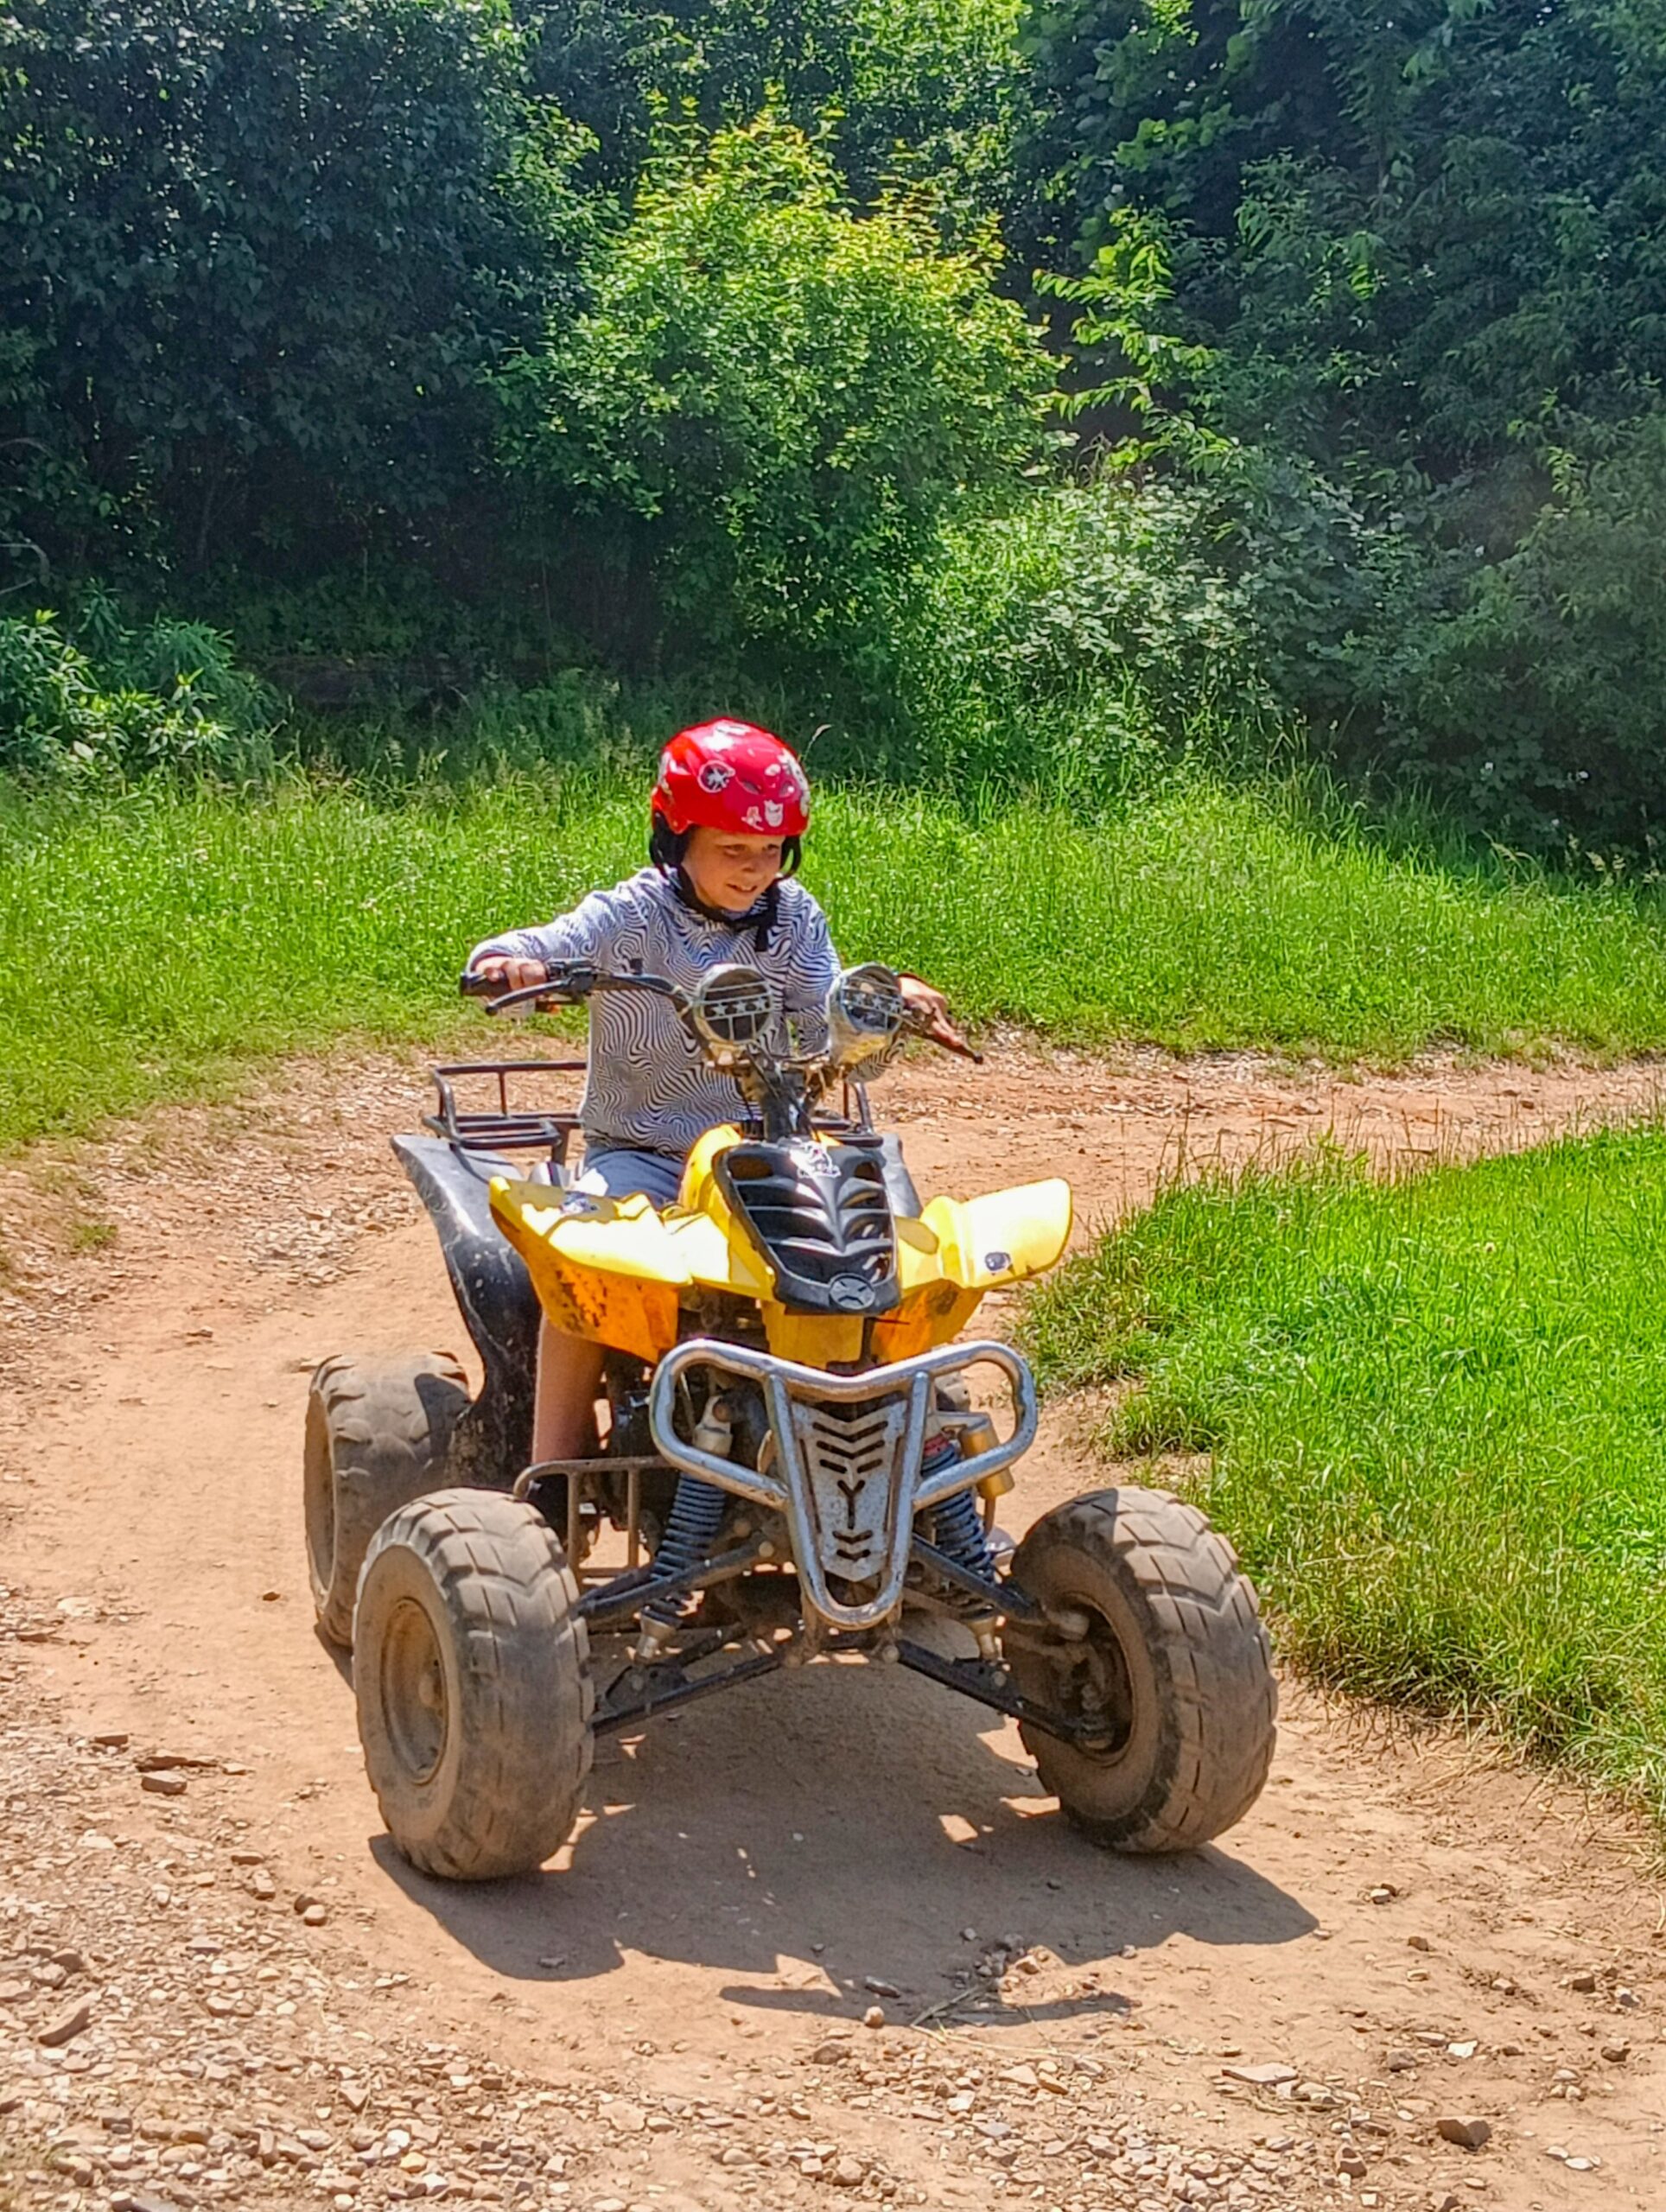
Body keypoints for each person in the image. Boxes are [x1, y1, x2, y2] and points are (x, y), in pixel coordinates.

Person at [466, 718, 961, 1467]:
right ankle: (554, 1469)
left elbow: (825, 1011)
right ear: (675, 837)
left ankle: (914, 1452)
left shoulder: (793, 917)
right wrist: (510, 965)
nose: (755, 870)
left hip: (764, 1149)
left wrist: (883, 1004)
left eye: (771, 851)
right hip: (644, 1154)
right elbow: (539, 945)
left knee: (885, 1261)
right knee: (584, 1270)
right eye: (733, 849)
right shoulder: (628, 917)